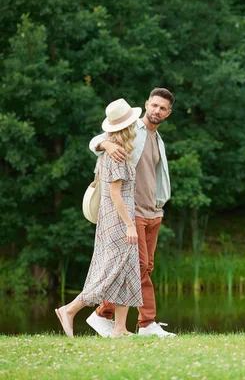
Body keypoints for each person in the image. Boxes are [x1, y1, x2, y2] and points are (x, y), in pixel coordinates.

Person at [86, 87, 175, 338]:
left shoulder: (158, 139)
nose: (157, 110)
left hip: (153, 212)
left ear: (168, 113)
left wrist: (159, 208)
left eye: (163, 108)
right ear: (146, 104)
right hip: (131, 211)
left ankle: (103, 314)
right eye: (154, 105)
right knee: (138, 266)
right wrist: (105, 143)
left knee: (144, 267)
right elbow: (95, 141)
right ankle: (146, 323)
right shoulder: (130, 129)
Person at [55, 98, 143, 338]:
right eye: (133, 124)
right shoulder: (116, 155)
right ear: (127, 127)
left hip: (116, 218)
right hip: (118, 220)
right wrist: (129, 225)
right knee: (110, 271)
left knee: (127, 270)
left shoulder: (115, 150)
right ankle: (69, 309)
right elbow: (115, 194)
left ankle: (119, 328)